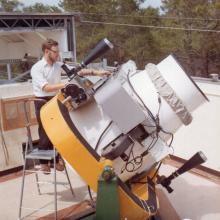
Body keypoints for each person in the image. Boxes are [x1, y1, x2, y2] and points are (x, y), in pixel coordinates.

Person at [31, 38, 110, 173]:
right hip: (42, 101)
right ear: (47, 51)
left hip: (55, 100)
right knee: (45, 131)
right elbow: (46, 88)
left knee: (60, 131)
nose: (58, 55)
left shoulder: (57, 65)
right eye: (55, 52)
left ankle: (56, 160)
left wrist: (97, 73)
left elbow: (78, 72)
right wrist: (65, 85)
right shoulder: (37, 68)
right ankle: (44, 162)